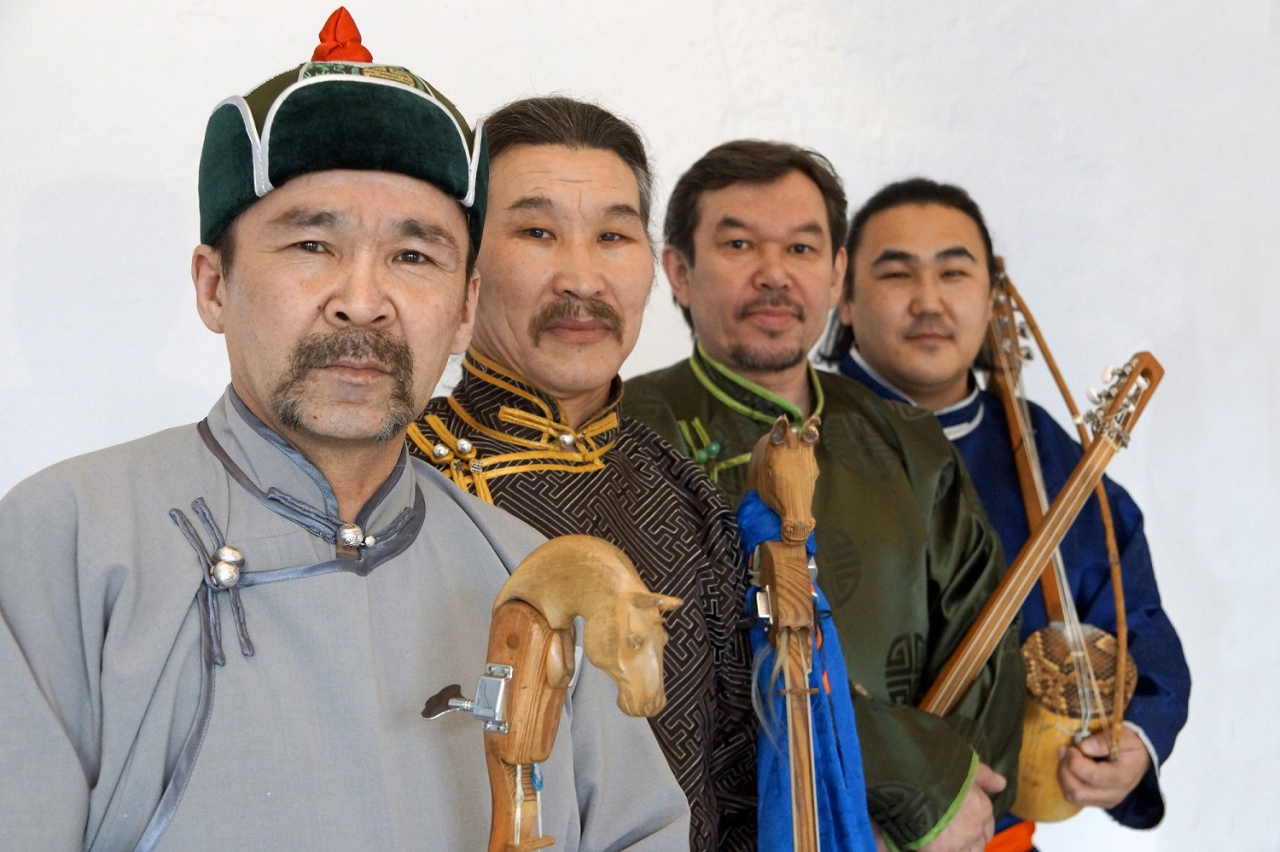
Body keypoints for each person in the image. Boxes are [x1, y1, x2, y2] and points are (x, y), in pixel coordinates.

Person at [0, 11, 689, 851]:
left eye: (413, 256)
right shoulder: (66, 539)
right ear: (213, 286)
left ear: (464, 309)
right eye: (312, 245)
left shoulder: (526, 573)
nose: (363, 302)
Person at [624, 140, 1025, 852]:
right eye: (739, 244)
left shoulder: (908, 438)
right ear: (679, 271)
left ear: (837, 274)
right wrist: (910, 780)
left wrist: (943, 808)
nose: (774, 274)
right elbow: (692, 673)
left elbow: (987, 648)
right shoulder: (630, 432)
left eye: (802, 249)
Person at [406, 96, 757, 851]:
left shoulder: (684, 491)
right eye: (537, 232)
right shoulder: (398, 477)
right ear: (463, 264)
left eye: (613, 236)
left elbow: (734, 781)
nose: (583, 279)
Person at [824, 177, 1191, 849]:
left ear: (993, 297)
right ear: (842, 296)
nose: (929, 300)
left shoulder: (1046, 454)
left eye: (954, 272)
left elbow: (1132, 616)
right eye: (897, 272)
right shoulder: (795, 432)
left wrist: (1134, 739)